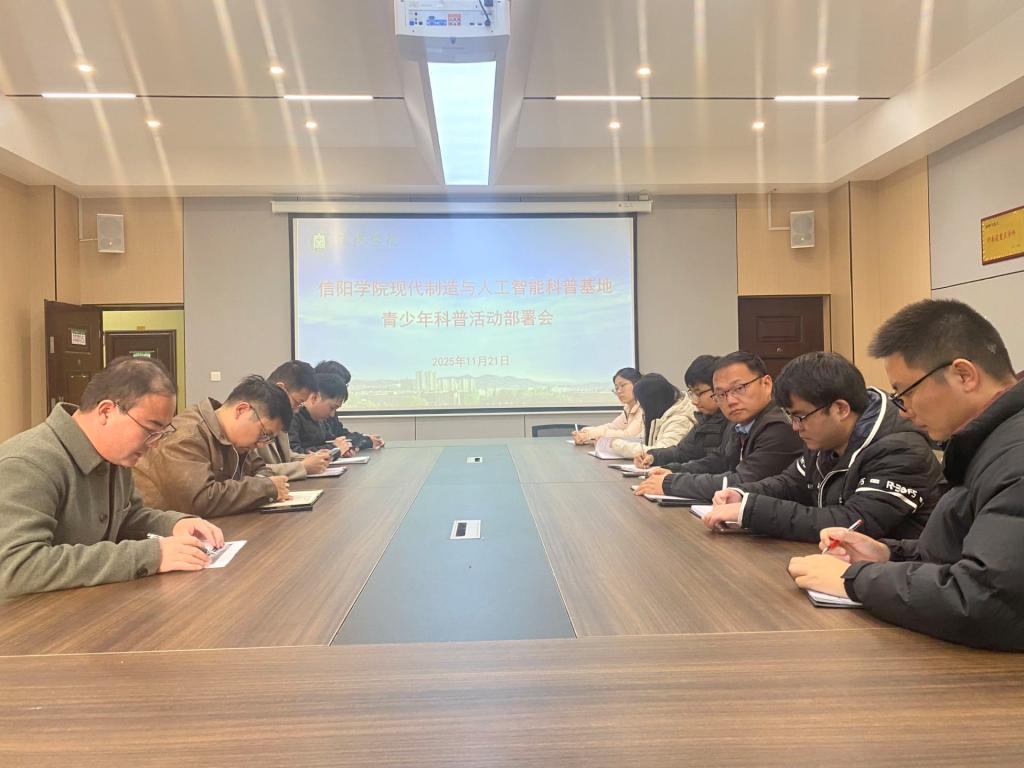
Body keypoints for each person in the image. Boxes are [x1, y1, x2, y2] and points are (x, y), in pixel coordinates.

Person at [788, 299, 1024, 651]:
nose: (904, 410)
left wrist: (855, 579)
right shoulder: (989, 442)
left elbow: (987, 600)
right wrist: (888, 554)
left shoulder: (1014, 454)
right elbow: (970, 552)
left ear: (964, 375)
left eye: (906, 393)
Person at [0, 357, 224, 598]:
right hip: (30, 617)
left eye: (162, 433)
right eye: (150, 430)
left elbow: (126, 517)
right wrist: (152, 555)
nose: (155, 444)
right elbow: (17, 567)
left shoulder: (113, 454)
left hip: (85, 605)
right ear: (106, 411)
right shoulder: (28, 463)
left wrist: (174, 524)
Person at [703, 352, 943, 541]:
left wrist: (749, 510)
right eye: (791, 417)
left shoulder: (900, 451)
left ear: (840, 409)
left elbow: (852, 523)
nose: (795, 427)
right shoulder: (824, 439)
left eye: (800, 417)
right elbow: (790, 483)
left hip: (894, 573)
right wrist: (742, 494)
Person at [634, 351, 803, 500]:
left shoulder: (780, 427)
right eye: (721, 394)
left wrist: (672, 483)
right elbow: (718, 461)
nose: (730, 401)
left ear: (766, 384)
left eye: (739, 388)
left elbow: (743, 481)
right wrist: (672, 471)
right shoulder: (740, 423)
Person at [133, 375, 292, 518]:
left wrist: (263, 482)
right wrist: (265, 488)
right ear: (242, 410)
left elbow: (260, 468)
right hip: (160, 534)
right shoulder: (187, 436)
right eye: (264, 433)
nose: (261, 443)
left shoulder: (235, 439)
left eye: (269, 439)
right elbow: (200, 500)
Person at [636, 355, 727, 468]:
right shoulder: (704, 419)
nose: (694, 401)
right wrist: (653, 456)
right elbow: (683, 452)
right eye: (692, 393)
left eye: (698, 393)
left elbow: (716, 466)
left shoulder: (733, 421)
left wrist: (672, 472)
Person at [259, 360, 331, 480]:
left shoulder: (279, 415)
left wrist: (313, 459)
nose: (297, 410)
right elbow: (253, 472)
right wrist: (302, 466)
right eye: (298, 402)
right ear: (281, 389)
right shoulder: (253, 419)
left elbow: (286, 457)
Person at [607, 373, 696, 459]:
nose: (641, 408)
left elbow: (661, 452)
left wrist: (620, 446)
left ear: (653, 402)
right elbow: (641, 439)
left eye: (642, 403)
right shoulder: (659, 415)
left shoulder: (680, 420)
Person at [314, 360, 383, 450]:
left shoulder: (330, 411)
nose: (343, 389)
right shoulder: (310, 414)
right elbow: (330, 441)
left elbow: (340, 435)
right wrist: (362, 441)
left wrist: (363, 438)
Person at [572, 367, 644, 445]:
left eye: (623, 385)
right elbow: (613, 426)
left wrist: (591, 434)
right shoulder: (628, 408)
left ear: (637, 385)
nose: (619, 391)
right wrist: (586, 432)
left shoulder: (644, 408)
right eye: (616, 388)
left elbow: (628, 436)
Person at [289, 373, 351, 454]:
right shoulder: (293, 417)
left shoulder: (321, 420)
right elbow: (293, 454)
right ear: (314, 397)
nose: (332, 415)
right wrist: (334, 448)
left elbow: (330, 440)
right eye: (332, 408)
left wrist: (344, 447)